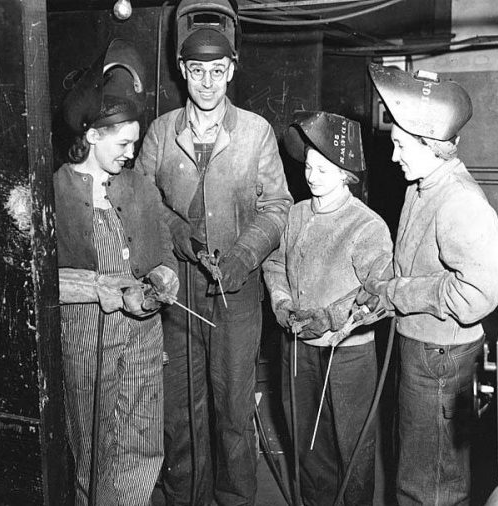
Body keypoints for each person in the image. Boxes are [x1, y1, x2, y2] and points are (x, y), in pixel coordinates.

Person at [133, 23, 292, 506]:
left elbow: (277, 206)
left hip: (236, 292)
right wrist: (174, 232)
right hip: (175, 291)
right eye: (197, 71)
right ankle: (185, 495)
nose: (207, 82)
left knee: (233, 405)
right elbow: (139, 200)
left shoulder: (255, 132)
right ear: (182, 71)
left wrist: (246, 254)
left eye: (217, 71)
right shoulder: (162, 132)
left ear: (231, 70)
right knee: (180, 406)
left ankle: (235, 496)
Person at [362, 63, 498, 506]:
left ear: (431, 145)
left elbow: (482, 291)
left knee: (432, 484)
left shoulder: (459, 200)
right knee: (415, 467)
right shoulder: (422, 184)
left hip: (439, 357)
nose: (393, 156)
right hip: (422, 348)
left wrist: (404, 293)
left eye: (402, 146)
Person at [54, 39, 179, 506]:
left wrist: (164, 279)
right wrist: (100, 288)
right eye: (123, 143)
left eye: (135, 142)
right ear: (91, 136)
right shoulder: (56, 192)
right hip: (89, 342)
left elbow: (164, 254)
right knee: (95, 450)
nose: (131, 153)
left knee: (143, 444)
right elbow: (40, 282)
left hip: (144, 342)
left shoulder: (139, 188)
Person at [263, 111, 394, 506]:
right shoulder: (296, 214)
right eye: (309, 166)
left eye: (324, 169)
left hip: (348, 354)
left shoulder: (366, 226)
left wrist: (332, 317)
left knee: (351, 446)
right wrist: (282, 303)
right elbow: (274, 263)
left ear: (346, 174)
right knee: (307, 440)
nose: (312, 175)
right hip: (299, 349)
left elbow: (380, 294)